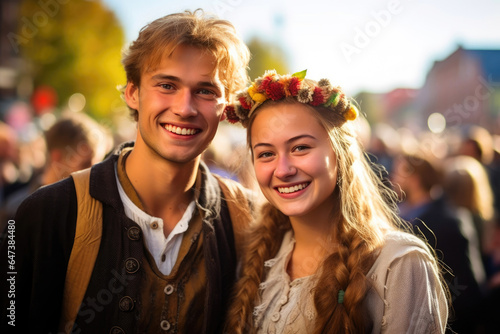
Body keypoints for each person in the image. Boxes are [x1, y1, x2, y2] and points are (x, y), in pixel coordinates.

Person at [0, 9, 251, 334]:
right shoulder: (49, 211)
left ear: (227, 105)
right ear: (132, 93)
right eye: (166, 85)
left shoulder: (247, 218)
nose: (185, 108)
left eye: (206, 91)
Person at [223, 70, 449, 333]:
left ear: (340, 154)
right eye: (266, 153)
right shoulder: (259, 253)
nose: (282, 170)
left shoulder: (398, 263)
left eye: (300, 148)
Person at [392, 152, 482, 333]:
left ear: (415, 179)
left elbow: (462, 285)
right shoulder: (399, 214)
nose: (392, 179)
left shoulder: (447, 222)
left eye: (398, 173)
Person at [0, 111, 112, 224]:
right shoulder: (17, 210)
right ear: (57, 158)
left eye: (97, 166)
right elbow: (11, 241)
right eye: (86, 164)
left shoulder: (94, 212)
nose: (93, 174)